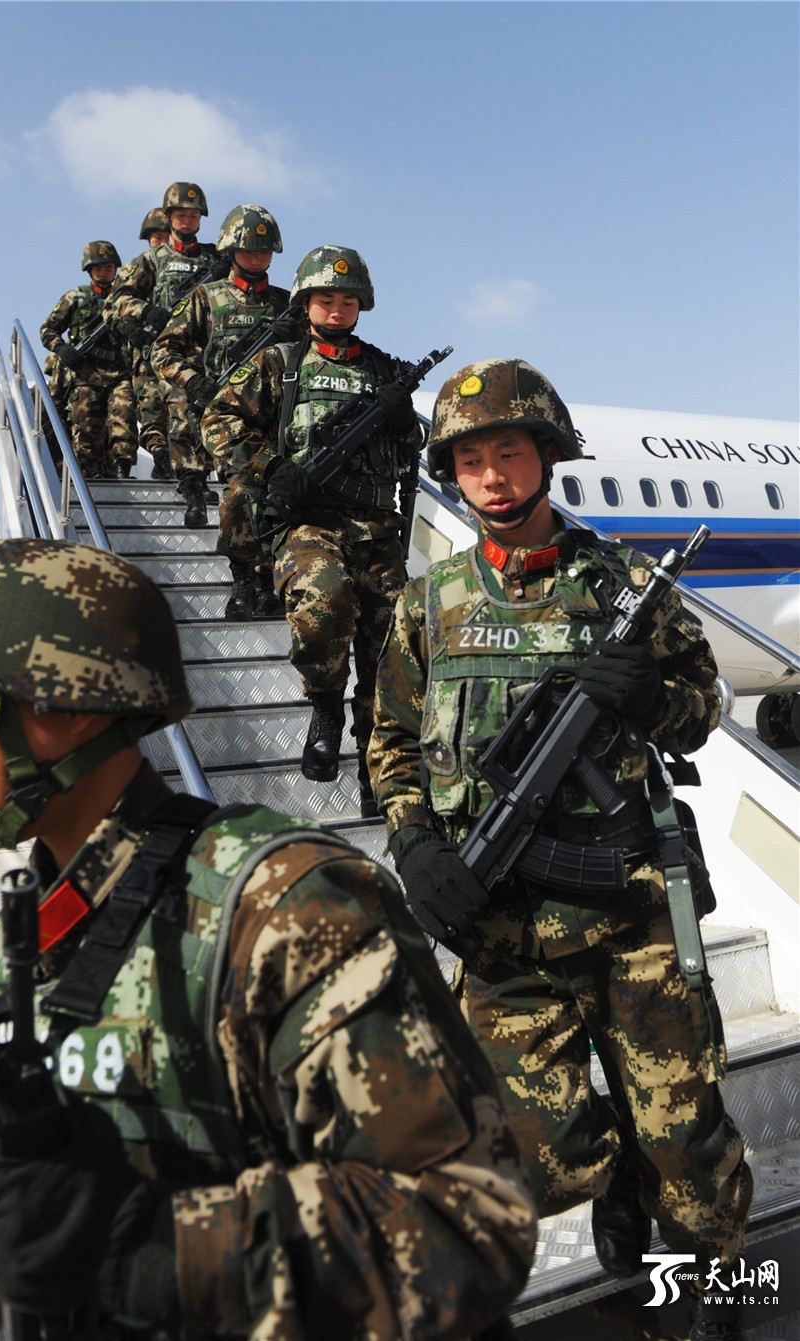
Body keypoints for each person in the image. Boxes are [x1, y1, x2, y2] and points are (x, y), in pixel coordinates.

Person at [0, 536, 537, 1341]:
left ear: (71, 702)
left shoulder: (282, 904)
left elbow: (469, 1217)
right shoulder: (26, 937)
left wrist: (145, 1248)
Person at [367, 359, 753, 1341]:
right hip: (507, 942)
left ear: (546, 458)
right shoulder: (429, 605)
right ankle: (624, 1170)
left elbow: (700, 715)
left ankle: (705, 1299)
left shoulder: (623, 583)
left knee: (692, 1152)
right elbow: (393, 743)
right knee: (528, 1163)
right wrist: (414, 845)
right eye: (469, 461)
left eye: (508, 452)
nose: (491, 477)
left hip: (635, 922)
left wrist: (649, 700)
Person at [202, 245, 424, 815]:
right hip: (309, 525)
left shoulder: (381, 370)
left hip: (376, 528)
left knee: (391, 652)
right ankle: (325, 705)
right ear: (306, 301)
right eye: (327, 299)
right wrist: (271, 469)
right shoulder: (281, 363)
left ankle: (379, 768)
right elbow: (218, 420)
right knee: (324, 601)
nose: (337, 309)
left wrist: (404, 421)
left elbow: (407, 451)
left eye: (348, 301)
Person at [153, 204, 301, 618]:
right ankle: (243, 582)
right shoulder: (207, 297)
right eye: (248, 250)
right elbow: (163, 349)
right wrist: (193, 381)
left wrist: (299, 339)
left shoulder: (285, 305)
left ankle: (269, 582)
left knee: (270, 501)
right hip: (225, 418)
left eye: (264, 251)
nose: (256, 258)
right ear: (231, 250)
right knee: (237, 500)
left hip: (275, 420)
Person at [104, 182, 229, 521]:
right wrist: (147, 313)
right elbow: (119, 299)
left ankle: (201, 477)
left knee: (212, 417)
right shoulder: (152, 258)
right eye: (180, 214)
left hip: (213, 354)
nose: (187, 220)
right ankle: (192, 486)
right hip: (171, 354)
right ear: (169, 217)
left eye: (193, 215)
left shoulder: (215, 258)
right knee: (180, 414)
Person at [39, 241, 137, 480]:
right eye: (98, 269)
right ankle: (88, 479)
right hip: (85, 376)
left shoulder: (125, 299)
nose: (104, 273)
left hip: (119, 374)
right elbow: (48, 329)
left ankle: (124, 468)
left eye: (108, 268)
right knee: (86, 432)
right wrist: (62, 349)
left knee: (123, 418)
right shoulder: (75, 298)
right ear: (89, 271)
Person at [133, 207, 175, 479]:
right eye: (155, 237)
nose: (160, 242)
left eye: (164, 235)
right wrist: (135, 324)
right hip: (147, 355)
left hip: (180, 354)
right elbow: (117, 306)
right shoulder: (143, 266)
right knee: (151, 414)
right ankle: (161, 458)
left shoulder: (187, 265)